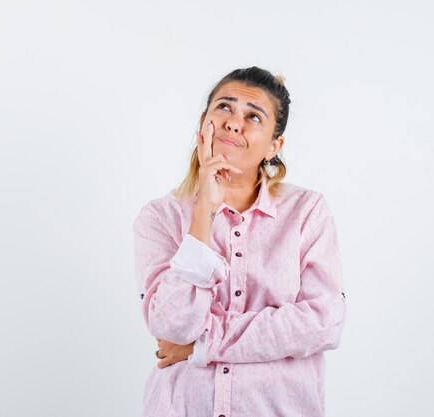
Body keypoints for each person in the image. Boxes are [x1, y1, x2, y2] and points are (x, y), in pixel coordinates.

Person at [132, 66, 347, 417]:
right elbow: (171, 326)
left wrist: (202, 344)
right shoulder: (159, 218)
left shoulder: (308, 212)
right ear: (204, 124)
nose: (234, 122)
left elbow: (324, 323)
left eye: (253, 116)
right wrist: (204, 212)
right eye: (225, 108)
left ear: (274, 146)